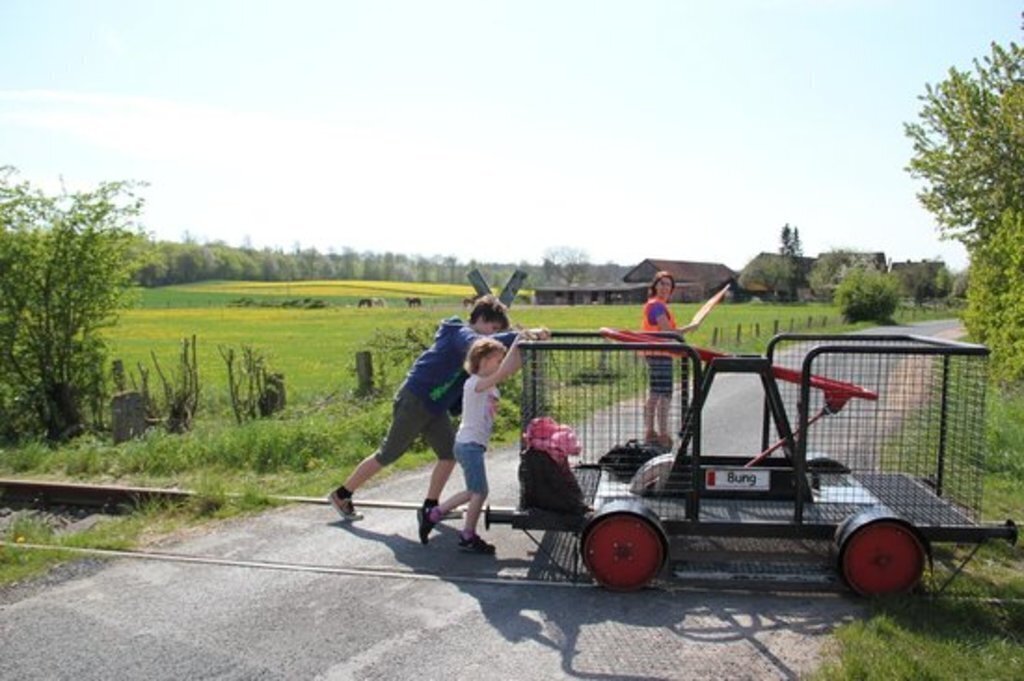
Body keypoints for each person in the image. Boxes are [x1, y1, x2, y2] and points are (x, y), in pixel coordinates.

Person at [327, 295, 543, 524]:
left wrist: (524, 338)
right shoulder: (460, 333)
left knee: (448, 455)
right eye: (492, 328)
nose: (491, 335)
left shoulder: (470, 337)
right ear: (479, 319)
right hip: (416, 399)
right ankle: (342, 495)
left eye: (496, 331)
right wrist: (520, 336)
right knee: (388, 453)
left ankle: (430, 507)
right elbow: (479, 345)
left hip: (435, 406)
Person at [417, 334, 524, 553]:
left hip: (471, 445)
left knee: (473, 491)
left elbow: (509, 369)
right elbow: (505, 371)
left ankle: (434, 515)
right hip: (468, 445)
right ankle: (466, 535)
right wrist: (519, 339)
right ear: (483, 361)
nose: (499, 365)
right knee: (479, 492)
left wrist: (529, 346)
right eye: (496, 360)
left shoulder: (489, 384)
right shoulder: (473, 383)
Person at [641, 271, 679, 450]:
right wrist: (689, 329)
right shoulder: (657, 306)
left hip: (655, 352)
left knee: (655, 393)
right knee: (664, 395)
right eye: (662, 284)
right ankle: (662, 433)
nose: (665, 288)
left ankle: (650, 431)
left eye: (668, 285)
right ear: (655, 286)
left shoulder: (656, 305)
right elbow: (666, 332)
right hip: (660, 354)